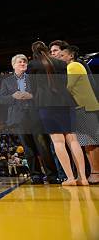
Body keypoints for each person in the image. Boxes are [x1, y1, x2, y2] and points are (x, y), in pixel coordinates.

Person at [28, 41, 87, 186]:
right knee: (73, 140)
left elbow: (33, 88)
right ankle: (83, 178)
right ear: (47, 49)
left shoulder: (33, 65)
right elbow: (66, 83)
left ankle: (70, 178)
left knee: (58, 141)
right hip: (66, 101)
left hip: (47, 104)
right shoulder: (61, 63)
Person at [0, 54, 59, 184]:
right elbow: (2, 99)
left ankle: (52, 175)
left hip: (35, 115)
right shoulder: (6, 81)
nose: (23, 64)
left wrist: (31, 95)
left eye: (25, 62)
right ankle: (35, 175)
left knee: (43, 146)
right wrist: (13, 96)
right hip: (19, 118)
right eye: (20, 62)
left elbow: (42, 94)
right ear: (13, 65)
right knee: (28, 148)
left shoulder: (33, 79)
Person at [61, 45, 99, 184]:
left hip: (85, 107)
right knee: (86, 142)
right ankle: (92, 173)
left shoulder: (73, 66)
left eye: (62, 56)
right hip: (81, 107)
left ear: (70, 56)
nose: (59, 58)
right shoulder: (72, 67)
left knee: (91, 141)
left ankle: (96, 172)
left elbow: (68, 87)